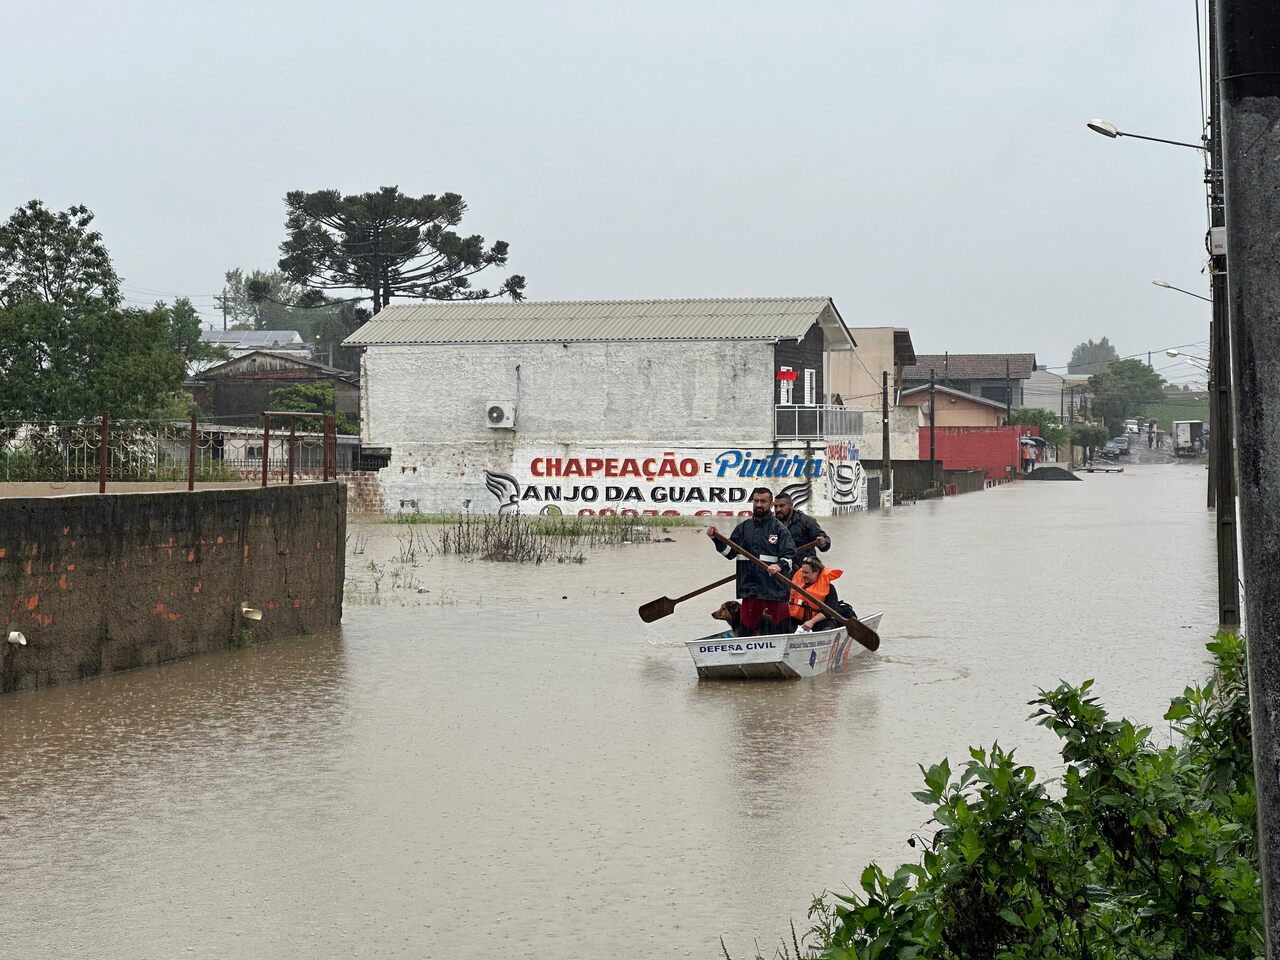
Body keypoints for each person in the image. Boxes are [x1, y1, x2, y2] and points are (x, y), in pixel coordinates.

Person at [706, 487, 797, 636]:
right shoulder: (743, 528)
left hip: (775, 591)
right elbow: (729, 553)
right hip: (750, 591)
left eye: (763, 501)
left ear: (771, 504)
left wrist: (780, 566)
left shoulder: (779, 529)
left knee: (784, 632)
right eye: (756, 501)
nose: (759, 505)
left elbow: (790, 555)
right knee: (744, 633)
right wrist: (716, 539)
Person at [789, 556, 848, 632]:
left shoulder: (829, 588)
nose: (803, 575)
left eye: (806, 573)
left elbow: (829, 611)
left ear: (816, 572)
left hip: (819, 623)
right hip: (798, 622)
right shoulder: (796, 585)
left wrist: (811, 622)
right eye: (802, 572)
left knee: (827, 627)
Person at [773, 491, 830, 560]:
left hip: (803, 566)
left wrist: (823, 543)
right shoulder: (772, 523)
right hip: (781, 565)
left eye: (782, 506)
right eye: (775, 506)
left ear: (791, 505)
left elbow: (824, 541)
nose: (778, 509)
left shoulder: (807, 521)